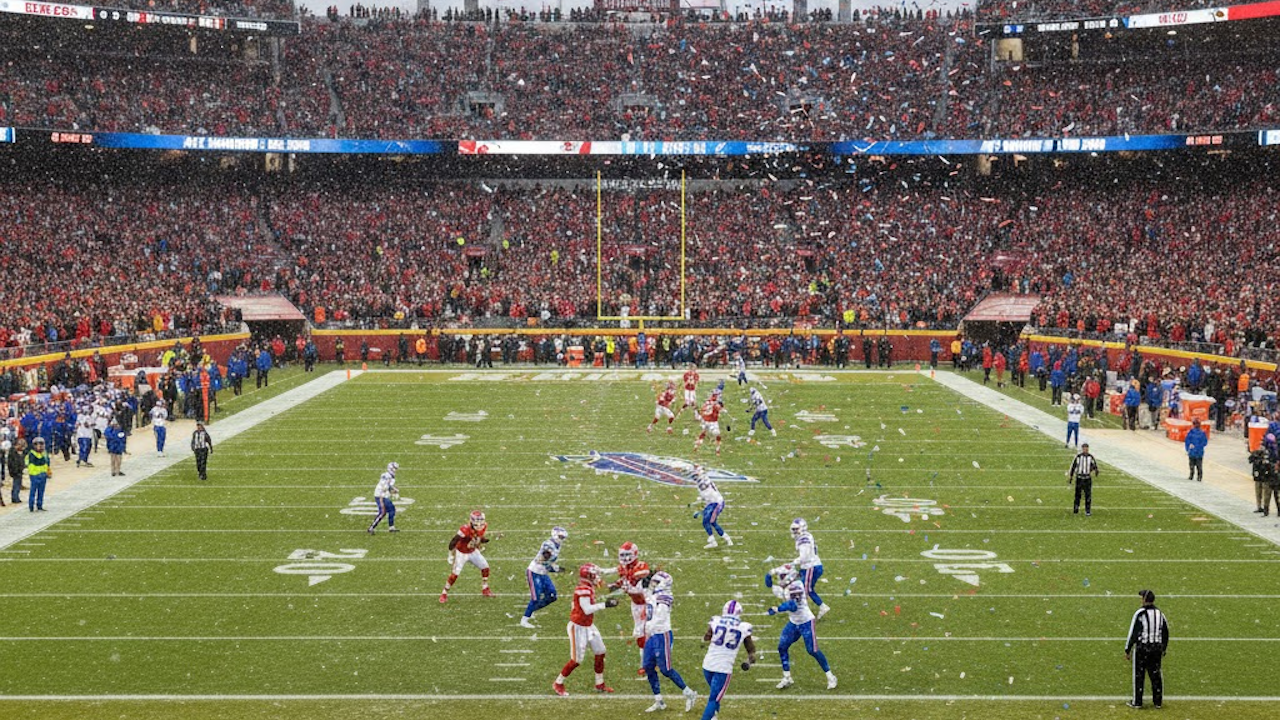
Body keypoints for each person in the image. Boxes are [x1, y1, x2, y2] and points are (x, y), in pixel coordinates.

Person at [553, 563, 619, 696]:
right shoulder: (583, 589)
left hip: (588, 625)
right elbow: (587, 609)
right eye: (594, 574)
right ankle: (558, 683)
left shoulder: (588, 586)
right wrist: (605, 605)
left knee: (600, 651)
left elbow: (603, 571)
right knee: (577, 660)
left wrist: (618, 569)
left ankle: (599, 683)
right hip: (578, 627)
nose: (597, 576)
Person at [641, 571, 699, 713]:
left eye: (655, 582)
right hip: (653, 634)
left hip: (662, 635)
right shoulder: (653, 594)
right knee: (648, 666)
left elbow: (660, 616)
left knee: (666, 669)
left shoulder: (665, 596)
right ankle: (659, 700)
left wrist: (649, 627)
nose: (652, 585)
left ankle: (689, 693)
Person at [768, 580, 838, 690]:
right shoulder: (792, 585)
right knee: (782, 647)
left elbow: (793, 606)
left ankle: (831, 677)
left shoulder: (795, 588)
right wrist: (769, 579)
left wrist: (778, 609)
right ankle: (787, 677)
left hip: (806, 622)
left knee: (812, 650)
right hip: (794, 622)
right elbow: (770, 584)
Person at [699, 600, 757, 720]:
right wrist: (749, 661)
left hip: (708, 665)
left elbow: (706, 637)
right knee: (714, 699)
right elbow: (751, 651)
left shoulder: (715, 621)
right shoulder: (743, 627)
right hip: (723, 668)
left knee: (715, 694)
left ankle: (713, 716)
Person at [609, 541, 652, 672]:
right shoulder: (623, 568)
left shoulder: (640, 565)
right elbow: (622, 580)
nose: (625, 558)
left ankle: (645, 664)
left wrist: (632, 575)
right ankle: (649, 660)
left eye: (628, 555)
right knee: (641, 634)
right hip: (636, 605)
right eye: (623, 555)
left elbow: (645, 572)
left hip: (646, 604)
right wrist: (616, 585)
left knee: (644, 634)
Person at [1124, 589, 1170, 709]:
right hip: (1156, 649)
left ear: (1144, 599)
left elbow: (1133, 632)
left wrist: (1127, 649)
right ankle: (1158, 702)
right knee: (1156, 675)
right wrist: (1163, 648)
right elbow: (1165, 632)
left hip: (1142, 648)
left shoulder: (1140, 613)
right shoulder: (1160, 613)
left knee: (1139, 675)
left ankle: (1137, 701)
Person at [521, 526, 569, 629]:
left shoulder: (557, 545)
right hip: (534, 572)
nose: (562, 539)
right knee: (535, 598)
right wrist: (554, 569)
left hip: (543, 573)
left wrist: (555, 567)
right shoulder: (549, 546)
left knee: (552, 596)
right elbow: (541, 560)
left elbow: (550, 562)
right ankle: (524, 620)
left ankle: (532, 610)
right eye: (560, 537)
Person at [441, 510, 493, 603]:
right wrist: (450, 554)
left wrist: (483, 540)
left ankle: (485, 588)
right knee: (455, 575)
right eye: (477, 524)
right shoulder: (464, 530)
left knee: (485, 568)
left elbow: (479, 536)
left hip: (473, 551)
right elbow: (454, 540)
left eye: (481, 523)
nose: (480, 525)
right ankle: (444, 592)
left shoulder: (484, 526)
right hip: (461, 553)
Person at [789, 517, 831, 619]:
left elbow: (805, 557)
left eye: (796, 529)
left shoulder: (804, 539)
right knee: (805, 588)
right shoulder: (806, 536)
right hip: (810, 566)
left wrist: (795, 562)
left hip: (811, 567)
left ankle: (806, 612)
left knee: (804, 589)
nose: (794, 531)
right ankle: (821, 606)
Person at [695, 469, 732, 549]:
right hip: (713, 503)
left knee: (707, 521)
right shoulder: (705, 484)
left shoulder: (707, 490)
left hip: (717, 503)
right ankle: (727, 539)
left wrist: (701, 509)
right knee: (712, 523)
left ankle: (712, 540)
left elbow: (708, 501)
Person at [1066, 442, 1099, 515]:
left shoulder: (1091, 457)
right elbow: (1073, 467)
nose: (1086, 450)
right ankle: (1076, 509)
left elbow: (1095, 466)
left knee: (1088, 495)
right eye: (1084, 449)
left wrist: (1095, 470)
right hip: (1079, 478)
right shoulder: (1078, 457)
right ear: (1082, 449)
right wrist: (1071, 477)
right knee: (1078, 494)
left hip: (1087, 478)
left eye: (1087, 449)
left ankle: (1087, 511)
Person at [367, 461, 399, 534]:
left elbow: (387, 487)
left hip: (382, 495)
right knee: (383, 512)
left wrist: (393, 489)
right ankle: (371, 528)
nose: (396, 470)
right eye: (395, 468)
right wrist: (393, 490)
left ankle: (391, 527)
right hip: (381, 495)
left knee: (391, 510)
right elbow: (384, 488)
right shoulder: (388, 477)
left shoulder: (387, 475)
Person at [25, 436, 51, 512]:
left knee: (41, 491)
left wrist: (48, 471)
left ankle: (39, 505)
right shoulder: (31, 454)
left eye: (42, 444)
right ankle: (31, 506)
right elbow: (29, 463)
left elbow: (47, 463)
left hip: (43, 474)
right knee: (33, 491)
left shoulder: (44, 453)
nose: (40, 446)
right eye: (38, 444)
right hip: (35, 475)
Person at [7, 437, 25, 503]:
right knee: (16, 485)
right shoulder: (13, 453)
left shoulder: (16, 452)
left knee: (17, 484)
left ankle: (15, 497)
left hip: (18, 471)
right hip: (16, 472)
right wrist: (15, 470)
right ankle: (15, 498)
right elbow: (13, 463)